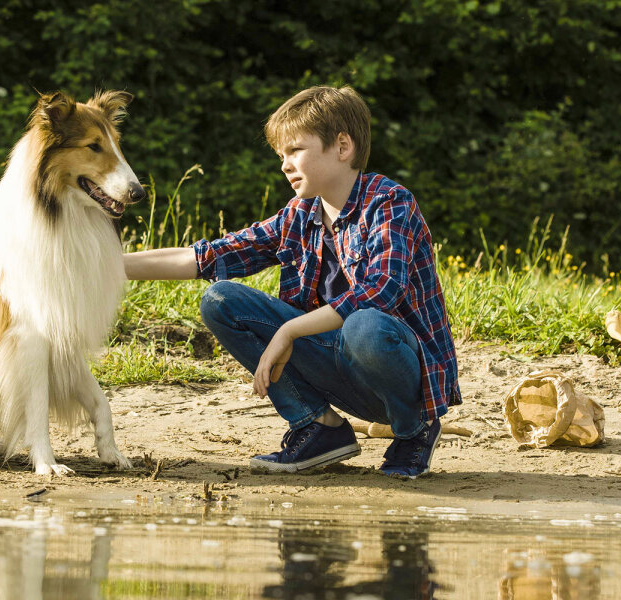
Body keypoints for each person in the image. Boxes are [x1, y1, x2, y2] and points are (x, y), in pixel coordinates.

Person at [122, 85, 461, 477]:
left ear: (342, 147)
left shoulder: (389, 201)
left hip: (402, 379)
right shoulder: (299, 214)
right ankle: (318, 427)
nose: (284, 164)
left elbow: (379, 292)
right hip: (341, 372)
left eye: (295, 150)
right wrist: (103, 264)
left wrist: (289, 331)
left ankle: (414, 431)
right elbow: (208, 256)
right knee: (220, 300)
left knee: (365, 323)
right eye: (281, 155)